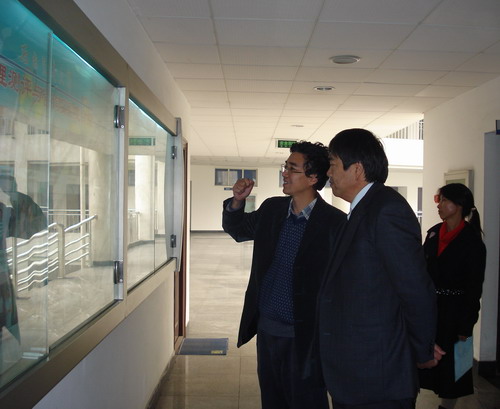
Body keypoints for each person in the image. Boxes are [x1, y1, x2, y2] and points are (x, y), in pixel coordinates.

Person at [318, 128, 441, 409]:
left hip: (377, 374)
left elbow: (414, 288)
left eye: (333, 165)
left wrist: (421, 348)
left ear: (357, 169)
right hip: (358, 370)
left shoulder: (386, 210)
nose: (328, 173)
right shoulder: (363, 209)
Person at [222, 141, 346, 409]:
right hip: (268, 329)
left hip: (306, 336)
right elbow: (239, 230)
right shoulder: (272, 209)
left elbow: (342, 285)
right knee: (272, 400)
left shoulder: (334, 223)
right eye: (285, 167)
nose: (285, 173)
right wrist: (237, 202)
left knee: (307, 400)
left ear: (313, 177)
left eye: (292, 168)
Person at [418, 183, 486, 409]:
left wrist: (467, 324)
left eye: (444, 200)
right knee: (424, 362)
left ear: (458, 205)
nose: (438, 205)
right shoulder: (434, 232)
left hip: (457, 312)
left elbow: (474, 287)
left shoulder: (472, 241)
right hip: (431, 308)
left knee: (456, 370)